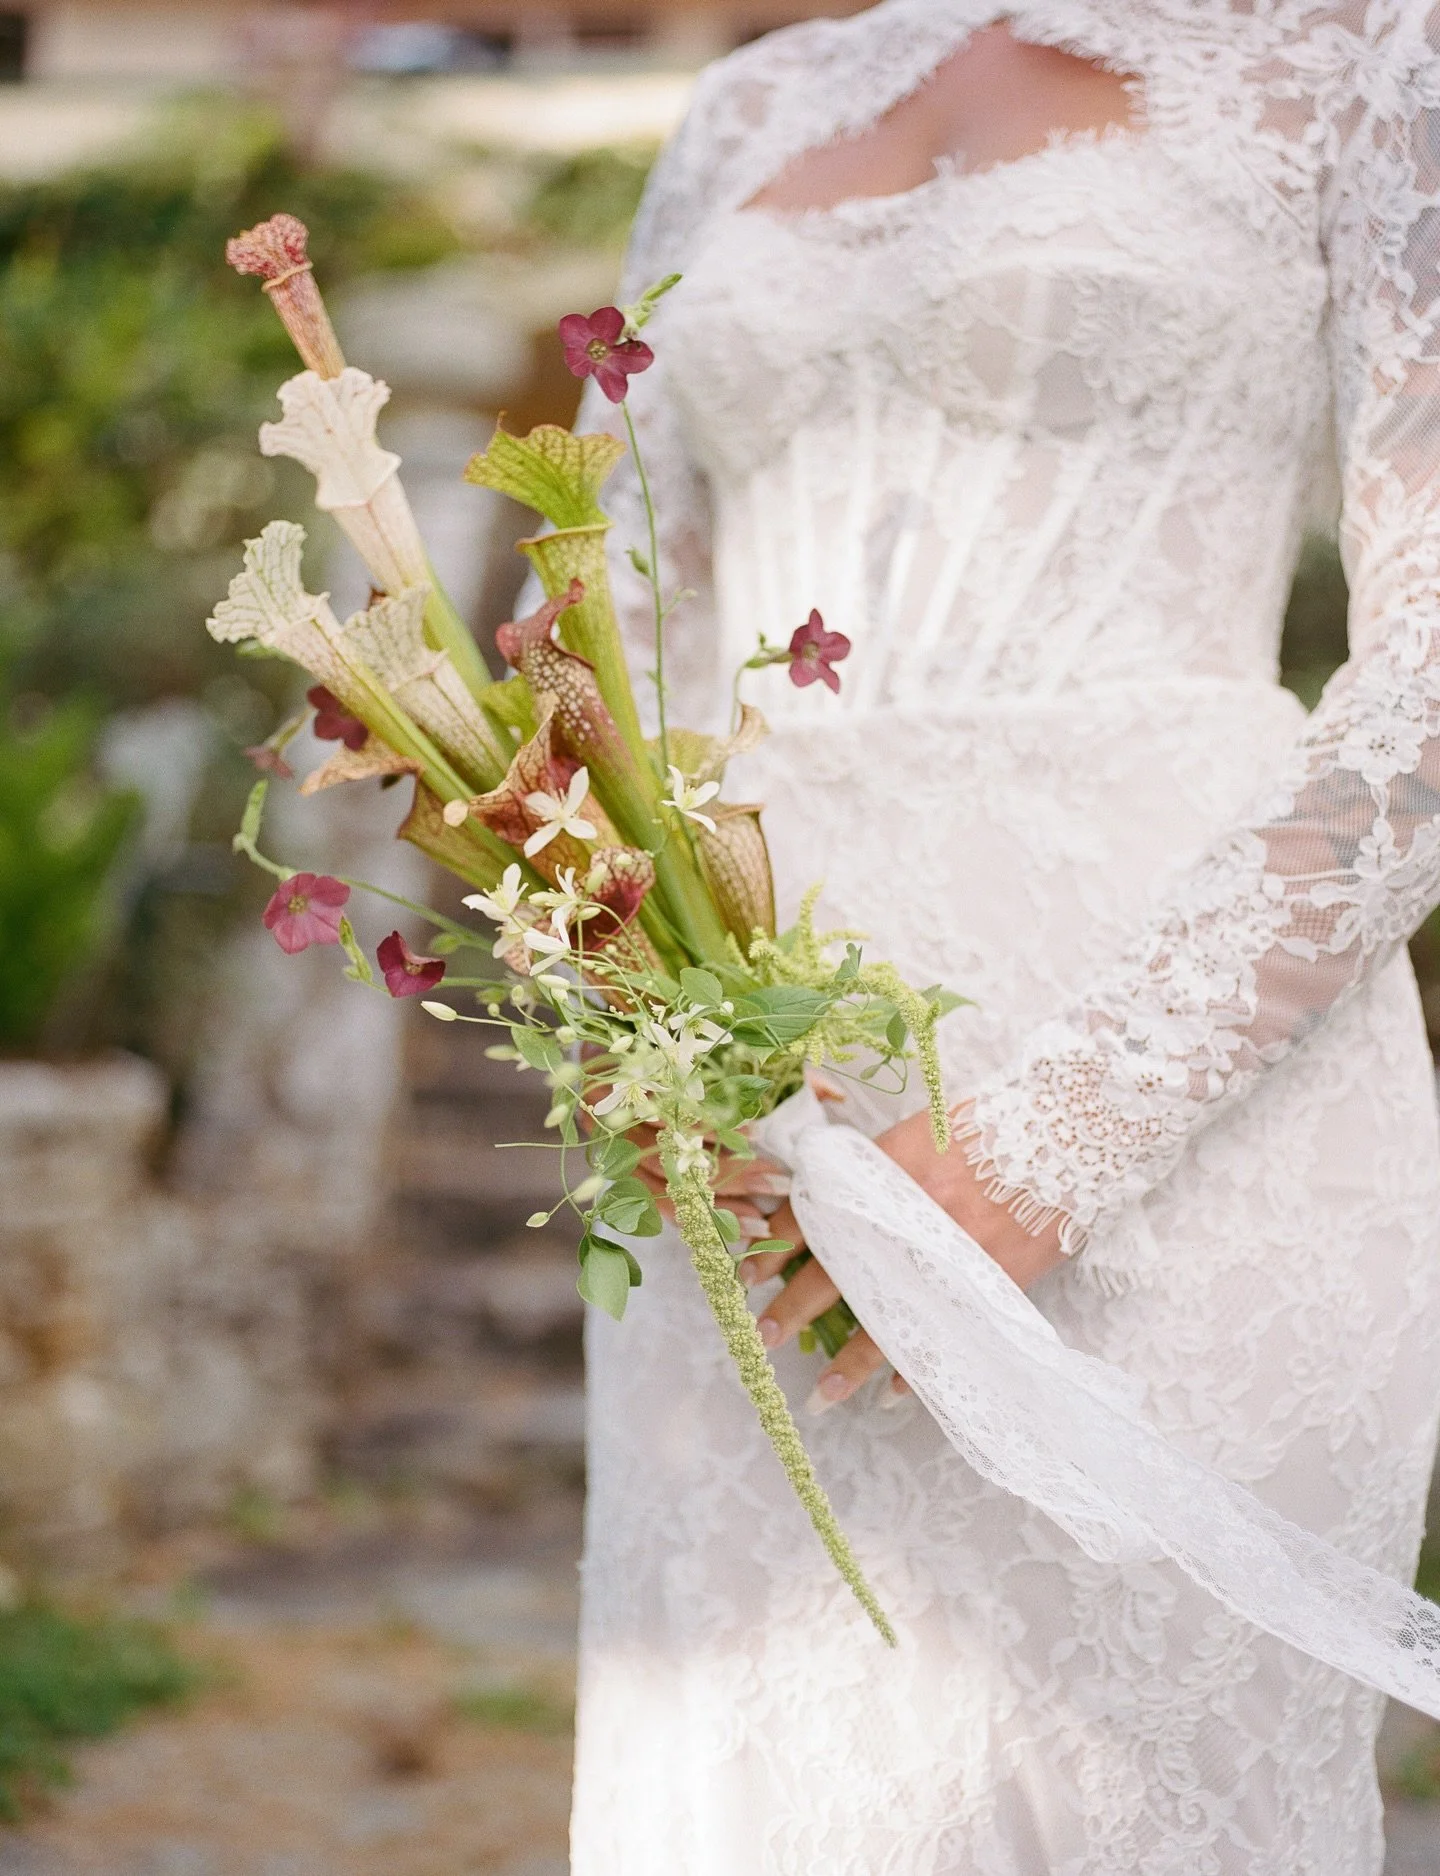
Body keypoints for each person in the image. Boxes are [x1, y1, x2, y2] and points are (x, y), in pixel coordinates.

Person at [567, 3, 1440, 1869]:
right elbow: (604, 640)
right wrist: (636, 1021)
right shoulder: (745, 111)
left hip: (1181, 1093)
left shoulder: (1365, 52)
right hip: (754, 1117)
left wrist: (1053, 1145)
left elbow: (1433, 672)